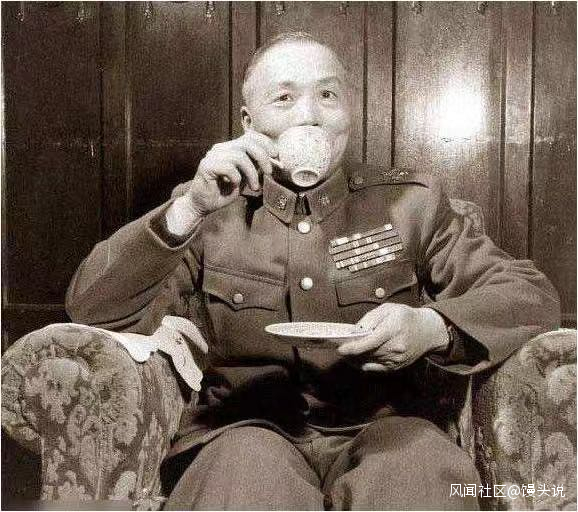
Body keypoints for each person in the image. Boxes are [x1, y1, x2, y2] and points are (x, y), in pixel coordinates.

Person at [66, 32, 560, 510]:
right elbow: (93, 308)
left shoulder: (411, 203)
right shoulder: (209, 206)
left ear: (348, 113)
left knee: (419, 478)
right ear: (249, 122)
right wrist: (189, 208)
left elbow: (527, 294)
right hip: (243, 429)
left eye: (328, 95)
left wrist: (431, 327)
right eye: (284, 99)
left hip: (388, 429)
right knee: (244, 483)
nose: (310, 115)